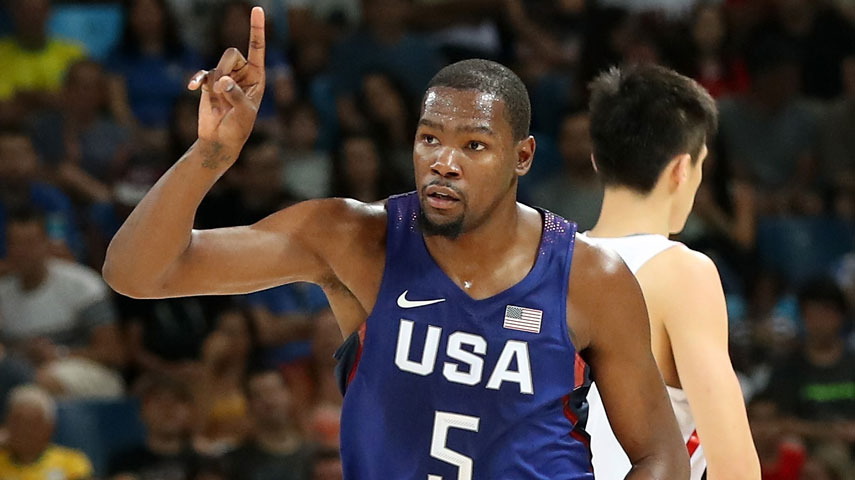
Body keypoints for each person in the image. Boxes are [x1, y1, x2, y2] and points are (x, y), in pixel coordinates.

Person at [103, 8, 689, 479]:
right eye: (429, 139)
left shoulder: (591, 277)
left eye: (474, 146)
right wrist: (213, 154)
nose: (444, 162)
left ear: (523, 157)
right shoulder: (356, 238)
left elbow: (661, 457)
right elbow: (137, 273)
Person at [582, 64, 761, 480]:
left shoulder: (548, 259)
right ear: (683, 169)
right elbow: (734, 467)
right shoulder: (681, 272)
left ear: (596, 161)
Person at [0, 384, 93, 480]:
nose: (23, 431)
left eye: (31, 424)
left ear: (49, 428)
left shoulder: (72, 463)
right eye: (17, 422)